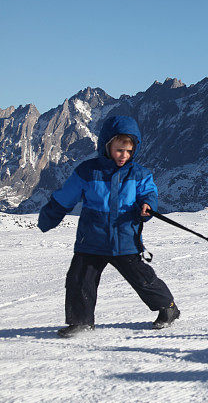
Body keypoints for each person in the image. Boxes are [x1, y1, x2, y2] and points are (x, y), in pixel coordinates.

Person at [37, 115, 180, 338]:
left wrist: (146, 206)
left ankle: (168, 308)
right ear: (107, 145)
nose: (124, 156)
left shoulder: (139, 174)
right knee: (79, 280)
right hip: (91, 240)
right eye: (119, 150)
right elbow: (66, 197)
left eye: (129, 151)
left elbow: (149, 194)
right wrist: (48, 218)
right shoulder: (87, 171)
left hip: (124, 238)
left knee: (142, 278)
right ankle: (81, 322)